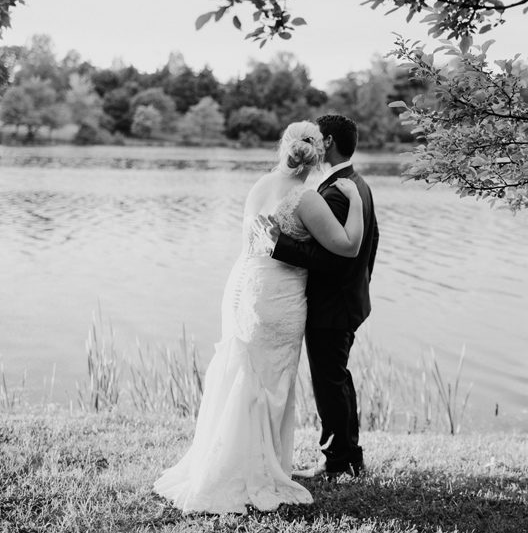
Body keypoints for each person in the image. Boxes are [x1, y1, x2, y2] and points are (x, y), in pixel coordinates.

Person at [153, 121, 364, 514]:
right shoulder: (307, 198)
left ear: (284, 147)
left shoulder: (260, 185)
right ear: (318, 156)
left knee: (240, 371)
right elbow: (349, 247)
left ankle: (230, 460)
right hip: (275, 297)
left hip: (241, 286)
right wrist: (354, 200)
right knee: (269, 379)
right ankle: (258, 468)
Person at [255, 114, 379, 480]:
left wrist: (280, 245)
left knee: (329, 386)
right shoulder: (355, 184)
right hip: (348, 300)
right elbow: (372, 244)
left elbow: (334, 258)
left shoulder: (337, 191)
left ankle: (336, 462)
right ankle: (350, 456)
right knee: (338, 381)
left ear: (327, 141)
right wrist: (362, 285)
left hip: (332, 305)